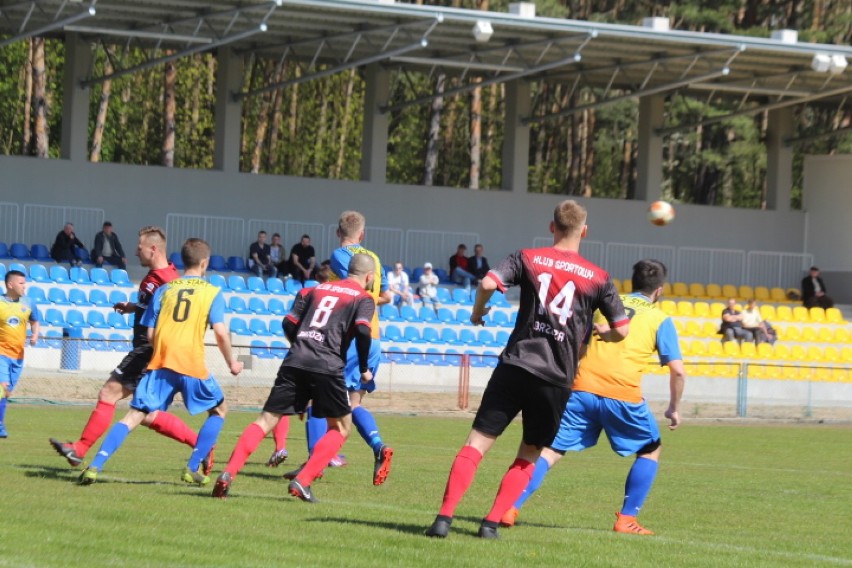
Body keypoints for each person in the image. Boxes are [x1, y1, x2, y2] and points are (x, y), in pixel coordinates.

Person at [425, 200, 629, 540]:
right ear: (585, 230)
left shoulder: (528, 257)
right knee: (530, 453)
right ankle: (489, 524)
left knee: (477, 442)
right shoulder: (599, 278)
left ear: (552, 227)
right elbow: (622, 329)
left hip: (516, 364)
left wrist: (478, 313)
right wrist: (602, 332)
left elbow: (488, 284)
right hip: (556, 377)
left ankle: (443, 519)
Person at [501, 259, 685, 536]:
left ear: (631, 283)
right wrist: (674, 408)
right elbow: (678, 371)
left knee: (550, 450)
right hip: (623, 394)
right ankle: (626, 519)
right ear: (659, 290)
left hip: (581, 388)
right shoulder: (661, 319)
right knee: (650, 450)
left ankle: (510, 506)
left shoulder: (605, 306)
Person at [77, 238, 243, 486]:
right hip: (190, 363)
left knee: (133, 415)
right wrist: (232, 362)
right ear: (205, 262)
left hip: (160, 362)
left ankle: (94, 466)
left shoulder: (165, 290)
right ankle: (192, 466)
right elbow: (220, 332)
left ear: (183, 261)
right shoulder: (212, 292)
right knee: (219, 411)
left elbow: (151, 334)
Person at [212, 253, 377, 500]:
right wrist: (364, 368)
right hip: (327, 364)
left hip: (296, 359)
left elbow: (288, 324)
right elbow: (364, 331)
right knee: (342, 427)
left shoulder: (312, 290)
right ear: (370, 277)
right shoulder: (363, 298)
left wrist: (300, 345)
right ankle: (303, 481)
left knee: (265, 421)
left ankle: (228, 473)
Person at [50, 226, 203, 470]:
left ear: (153, 249)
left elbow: (173, 320)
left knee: (109, 393)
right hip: (150, 350)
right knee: (146, 413)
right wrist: (133, 307)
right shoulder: (163, 276)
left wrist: (158, 350)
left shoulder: (167, 280)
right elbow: (154, 306)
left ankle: (79, 449)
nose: (135, 252)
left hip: (148, 350)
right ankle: (202, 446)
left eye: (139, 247)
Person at [284, 211, 394, 485]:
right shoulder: (375, 259)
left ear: (337, 232)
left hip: (349, 336)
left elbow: (352, 290)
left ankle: (315, 464)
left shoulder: (340, 256)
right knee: (352, 404)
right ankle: (379, 447)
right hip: (373, 335)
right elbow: (386, 296)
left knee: (315, 398)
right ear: (363, 234)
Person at [0, 270, 40, 438]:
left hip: (18, 355)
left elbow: (35, 320)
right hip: (1, 353)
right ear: (10, 284)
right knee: (3, 388)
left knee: (7, 393)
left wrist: (35, 334)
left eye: (25, 283)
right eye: (21, 283)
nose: (25, 286)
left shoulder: (29, 302)